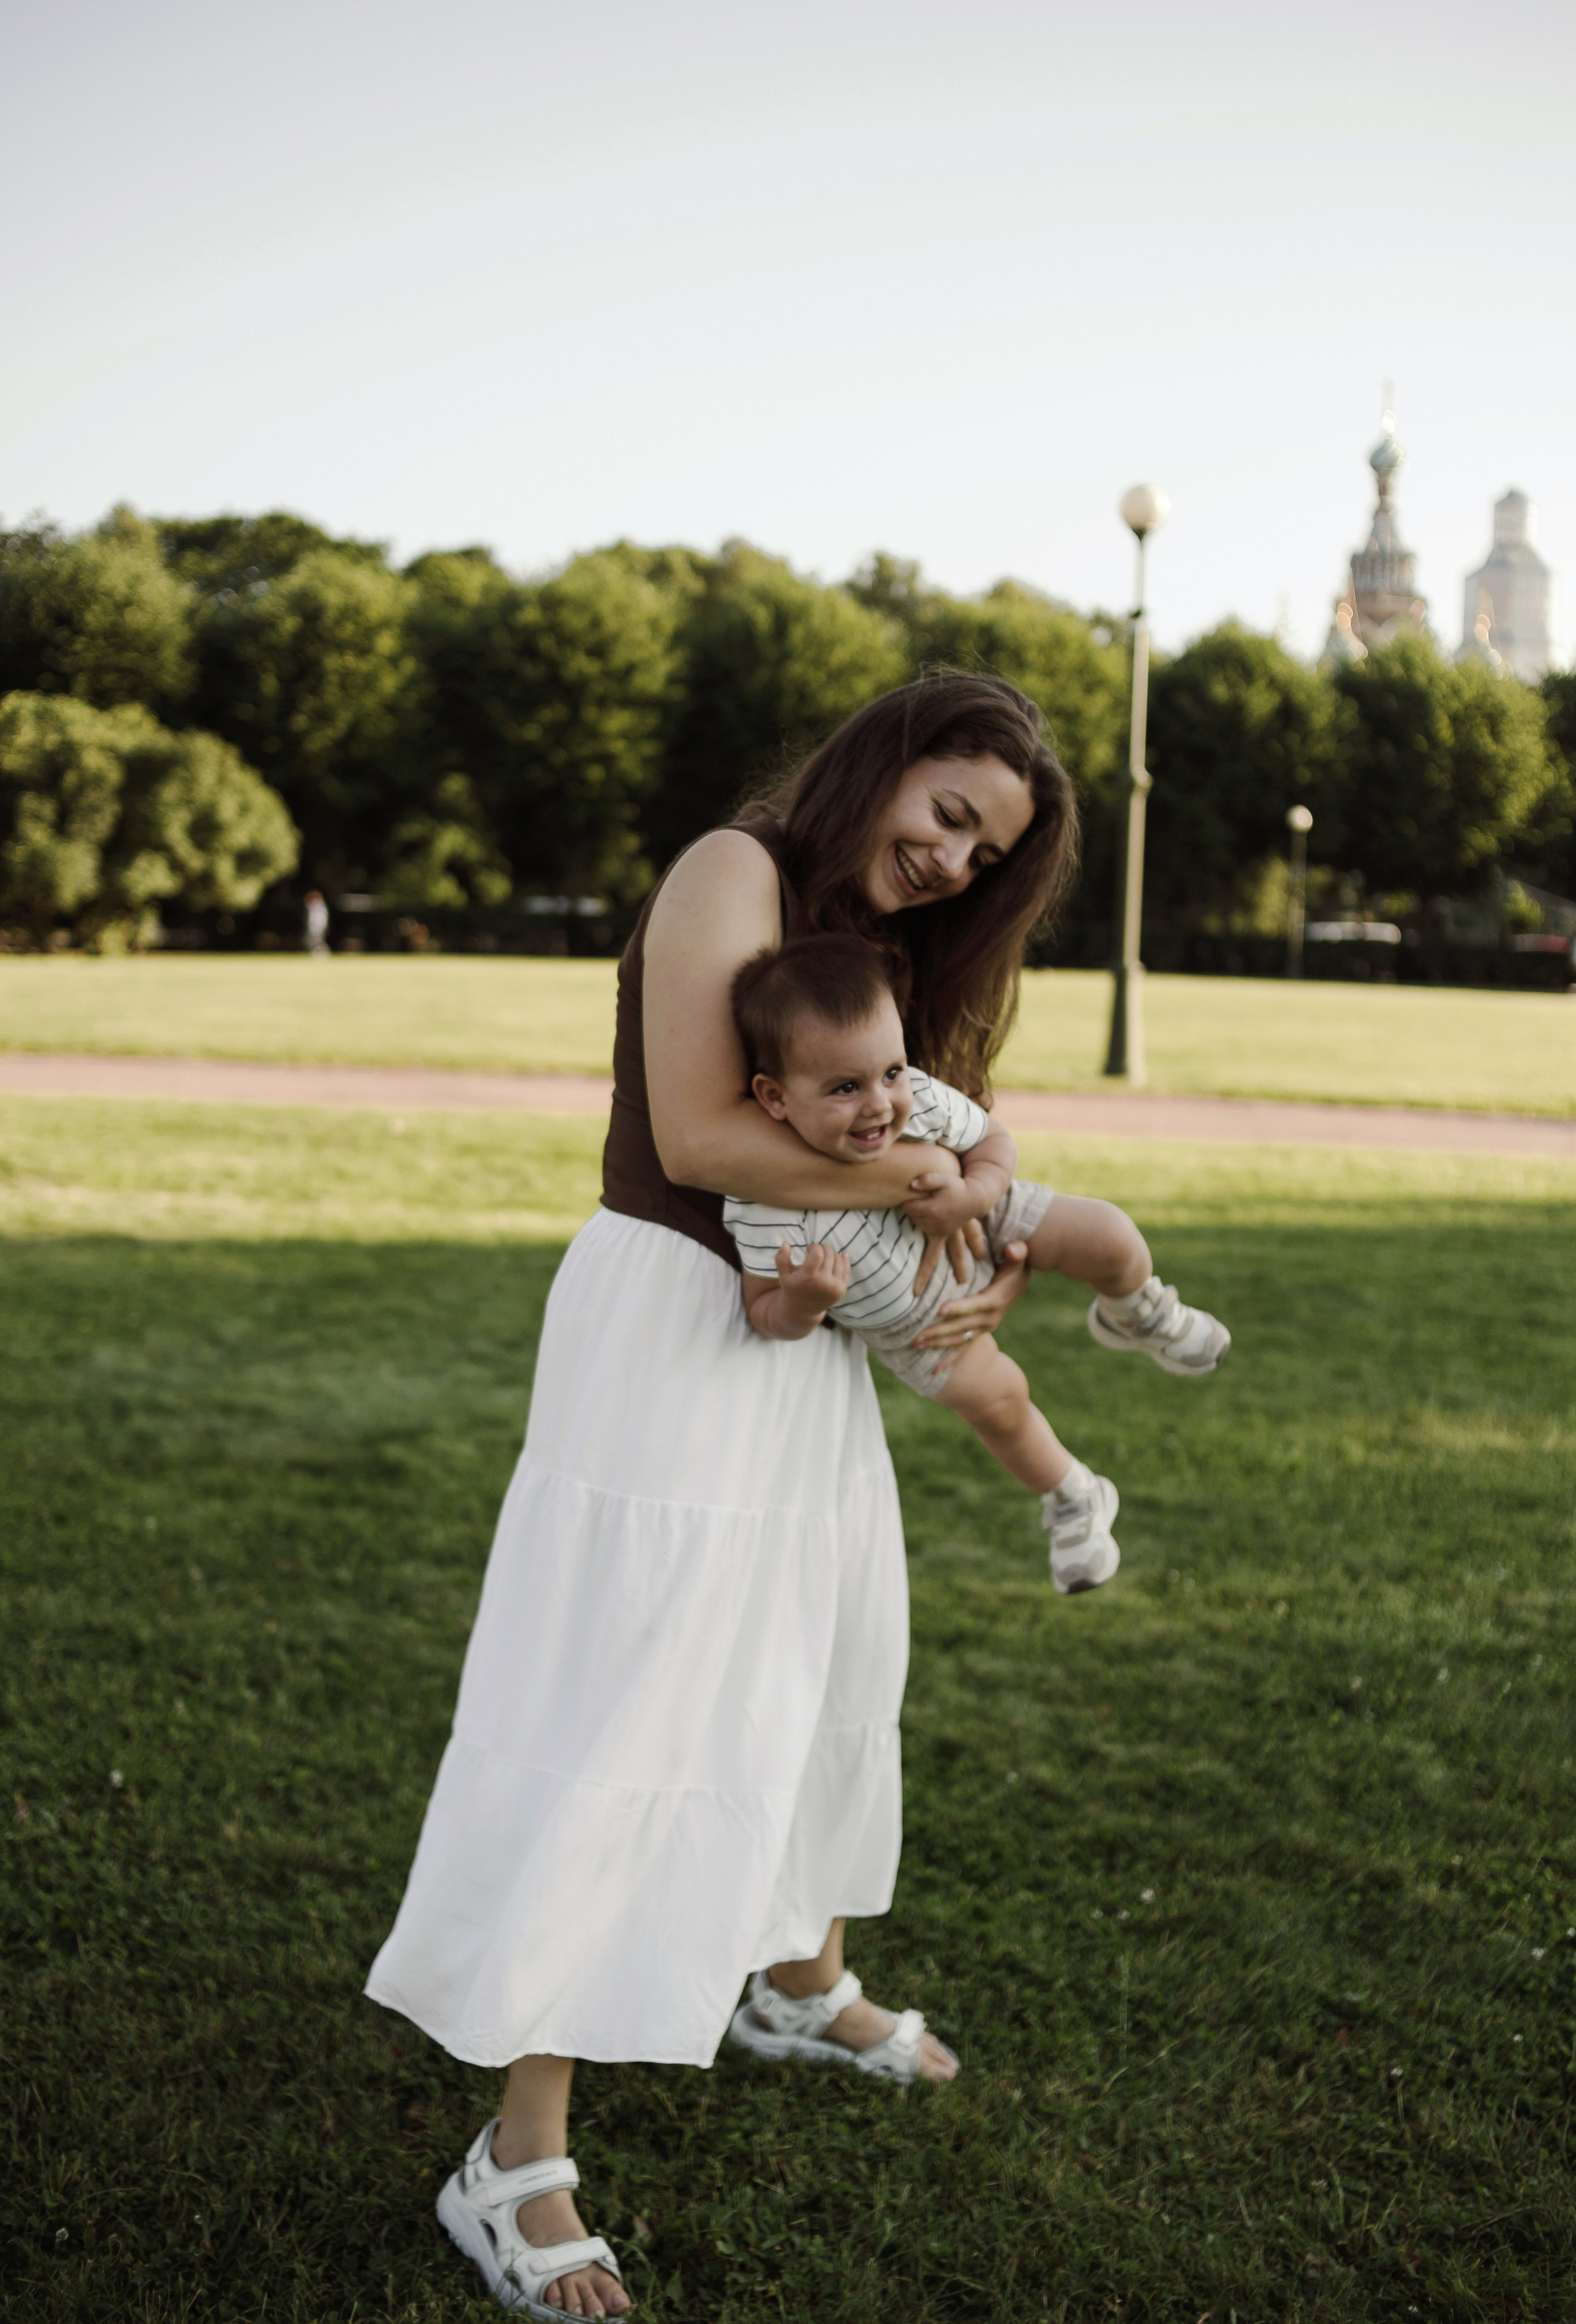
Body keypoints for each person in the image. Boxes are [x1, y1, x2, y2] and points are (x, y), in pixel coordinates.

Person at [366, 672, 1079, 2321]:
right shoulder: (734, 872)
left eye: (990, 851)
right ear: (885, 766)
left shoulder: (882, 945)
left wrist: (985, 1238)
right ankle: (516, 2156)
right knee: (631, 1706)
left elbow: (940, 1134)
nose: (957, 860)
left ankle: (795, 1974)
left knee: (822, 1660)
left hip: (802, 1333)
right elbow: (699, 1136)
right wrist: (939, 1184)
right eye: (948, 813)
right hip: (672, 1325)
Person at [718, 933, 1229, 1626]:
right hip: (913, 1327)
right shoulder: (758, 1200)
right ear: (774, 1097)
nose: (879, 1105)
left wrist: (976, 1192)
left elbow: (994, 1142)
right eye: (845, 1088)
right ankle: (1074, 1496)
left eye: (890, 1072)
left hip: (985, 1218)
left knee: (1109, 1234)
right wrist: (804, 1303)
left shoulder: (915, 1100)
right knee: (1000, 1405)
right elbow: (762, 1311)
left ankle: (1138, 1311)